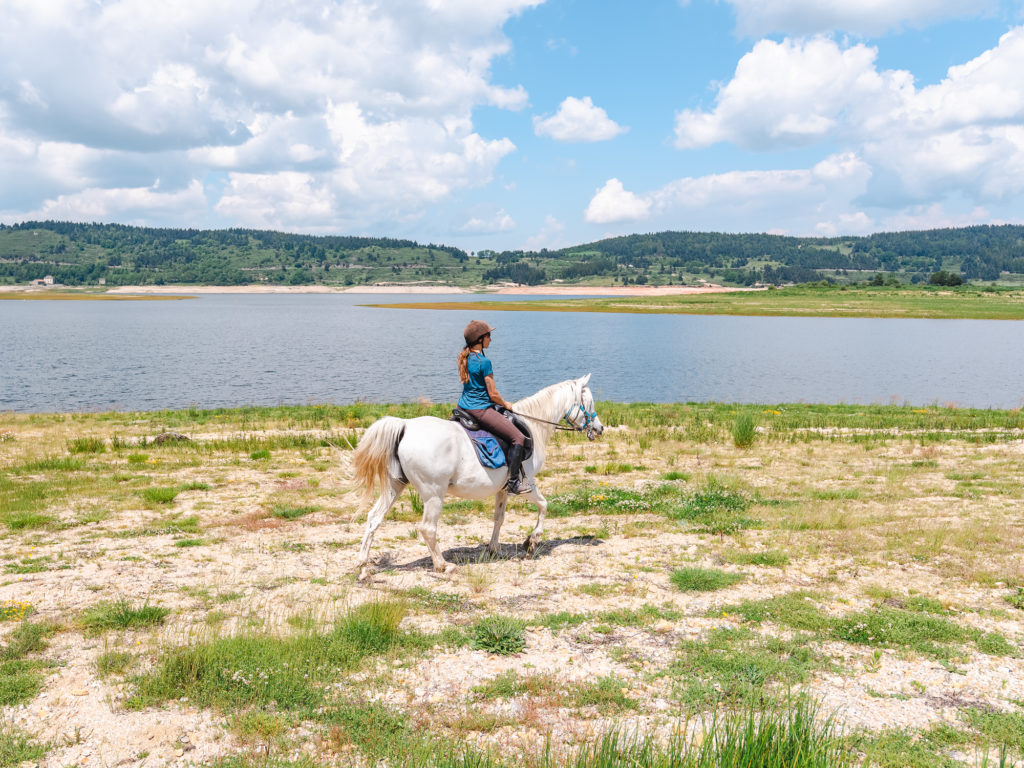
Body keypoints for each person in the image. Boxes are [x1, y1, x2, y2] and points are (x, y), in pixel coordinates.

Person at [457, 320, 533, 495]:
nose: (490, 339)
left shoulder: (465, 357)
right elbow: (493, 394)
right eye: (488, 336)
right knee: (518, 438)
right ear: (480, 339)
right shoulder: (484, 362)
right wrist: (506, 404)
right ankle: (513, 483)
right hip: (480, 410)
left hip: (463, 407)